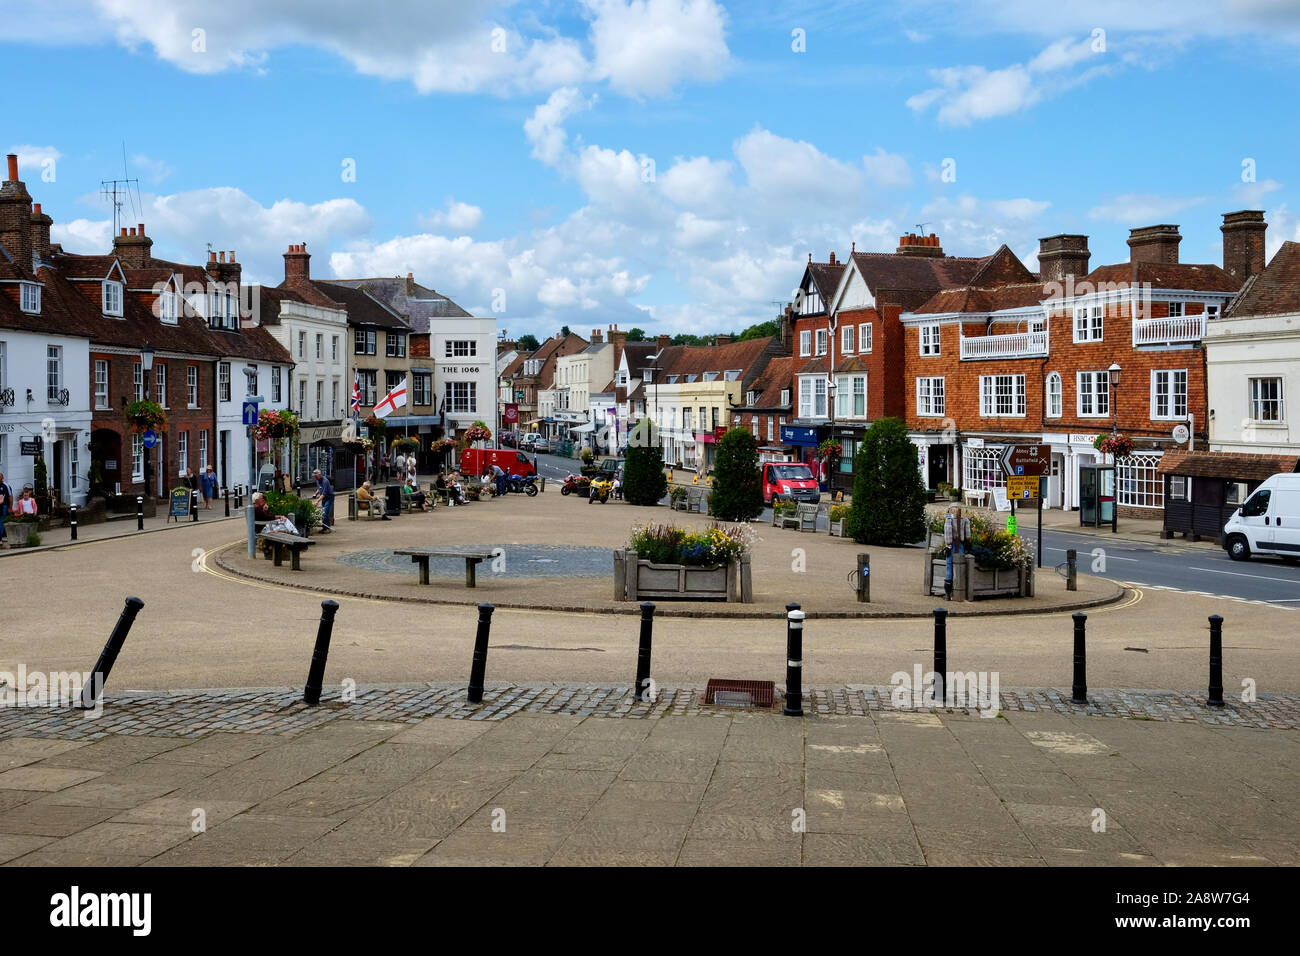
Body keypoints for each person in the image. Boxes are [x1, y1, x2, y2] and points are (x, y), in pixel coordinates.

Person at [943, 505, 971, 601]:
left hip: (952, 546)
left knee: (949, 568)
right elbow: (968, 535)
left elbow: (948, 535)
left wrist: (948, 545)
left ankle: (947, 594)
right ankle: (961, 591)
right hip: (961, 546)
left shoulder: (949, 520)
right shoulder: (965, 520)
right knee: (961, 566)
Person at [0, 471, 11, 547]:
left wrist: (10, 507)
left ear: (2, 478)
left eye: (0, 477)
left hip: (4, 506)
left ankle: (0, 538)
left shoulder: (6, 485)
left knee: (1, 521)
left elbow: (10, 496)